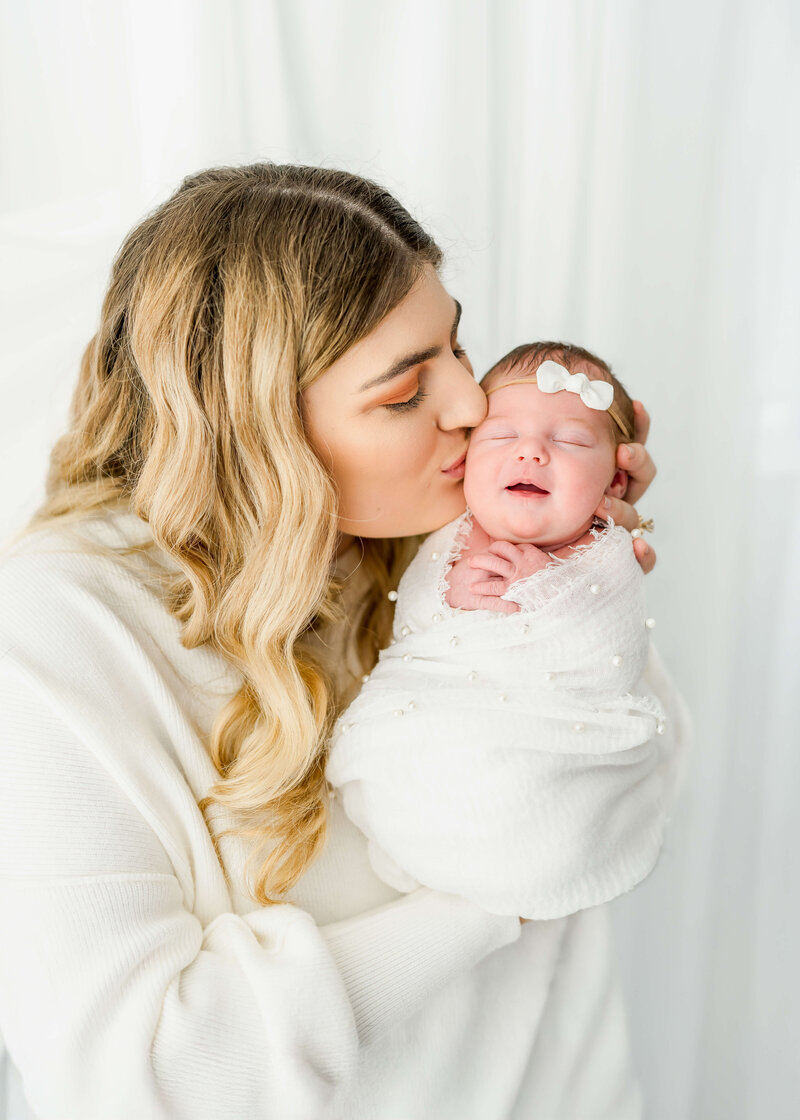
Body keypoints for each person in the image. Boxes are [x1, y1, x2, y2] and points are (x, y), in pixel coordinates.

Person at [0, 163, 668, 1120]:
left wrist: (575, 583)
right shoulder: (56, 638)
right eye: (403, 394)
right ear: (254, 432)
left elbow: (643, 790)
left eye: (455, 346)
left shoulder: (447, 542)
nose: (475, 407)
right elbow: (139, 1072)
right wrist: (500, 898)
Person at [326, 343, 688, 919]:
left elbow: (610, 656)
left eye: (569, 441)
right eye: (499, 437)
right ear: (468, 460)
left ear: (615, 482)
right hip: (429, 749)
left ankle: (512, 855)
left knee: (526, 808)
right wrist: (454, 597)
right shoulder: (445, 530)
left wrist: (551, 593)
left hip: (546, 770)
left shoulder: (607, 549)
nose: (531, 452)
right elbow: (415, 624)